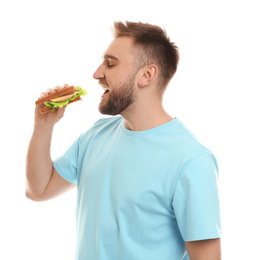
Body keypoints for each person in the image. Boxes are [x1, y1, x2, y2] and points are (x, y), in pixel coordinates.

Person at [26, 21, 221, 260]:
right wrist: (43, 126)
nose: (97, 73)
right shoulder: (97, 135)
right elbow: (38, 190)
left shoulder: (190, 160)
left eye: (111, 63)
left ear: (147, 75)